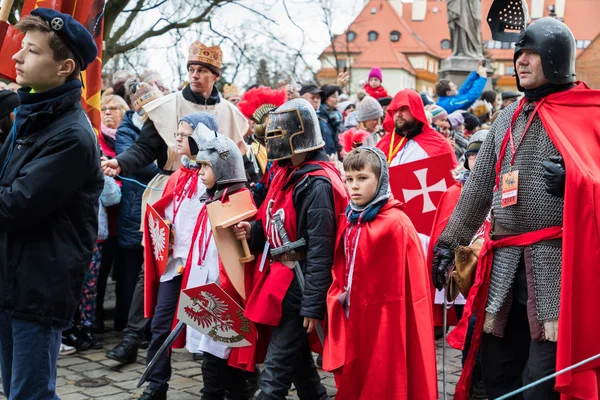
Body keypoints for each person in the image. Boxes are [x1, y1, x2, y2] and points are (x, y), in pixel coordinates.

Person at [432, 17, 600, 400]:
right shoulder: (508, 115)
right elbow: (476, 189)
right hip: (505, 266)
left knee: (541, 383)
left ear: (556, 57)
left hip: (556, 267)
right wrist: (448, 242)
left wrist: (576, 183)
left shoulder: (589, 113)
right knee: (497, 374)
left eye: (532, 53)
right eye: (518, 53)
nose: (521, 61)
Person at [104, 40, 248, 364]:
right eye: (192, 70)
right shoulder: (169, 107)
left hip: (211, 198)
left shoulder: (228, 114)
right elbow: (144, 148)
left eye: (202, 71)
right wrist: (121, 163)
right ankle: (133, 336)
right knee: (154, 266)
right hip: (170, 190)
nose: (195, 76)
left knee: (209, 268)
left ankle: (205, 336)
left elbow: (239, 163)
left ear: (215, 76)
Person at [0, 8, 102, 399]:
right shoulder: (30, 114)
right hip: (12, 280)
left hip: (38, 290)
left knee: (30, 395)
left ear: (65, 67)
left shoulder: (72, 135)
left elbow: (12, 205)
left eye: (31, 51)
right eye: (20, 48)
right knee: (19, 392)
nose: (16, 58)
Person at [232, 98, 348, 400]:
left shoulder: (317, 183)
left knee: (274, 373)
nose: (273, 142)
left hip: (299, 282)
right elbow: (275, 222)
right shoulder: (287, 173)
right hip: (279, 279)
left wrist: (313, 304)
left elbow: (322, 248)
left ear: (299, 136)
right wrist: (254, 232)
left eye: (279, 135)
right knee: (299, 367)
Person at [324, 147, 437, 399]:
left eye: (363, 178)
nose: (354, 186)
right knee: (357, 372)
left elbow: (407, 291)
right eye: (349, 179)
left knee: (384, 371)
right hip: (353, 312)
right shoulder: (351, 218)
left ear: (381, 179)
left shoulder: (396, 224)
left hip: (388, 318)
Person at [139, 113, 222, 400]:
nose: (177, 137)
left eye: (184, 133)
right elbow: (169, 214)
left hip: (204, 266)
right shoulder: (178, 175)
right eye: (177, 131)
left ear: (200, 138)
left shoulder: (214, 176)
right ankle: (156, 386)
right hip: (175, 266)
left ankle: (220, 388)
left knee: (213, 331)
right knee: (161, 325)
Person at [378, 89, 457, 168]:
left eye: (403, 109)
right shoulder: (385, 143)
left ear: (415, 109)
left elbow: (450, 177)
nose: (398, 114)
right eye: (395, 110)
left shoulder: (439, 144)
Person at [300, 84, 336, 156]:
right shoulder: (299, 120)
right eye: (312, 97)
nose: (316, 100)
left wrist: (334, 154)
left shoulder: (322, 118)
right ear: (302, 99)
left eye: (318, 98)